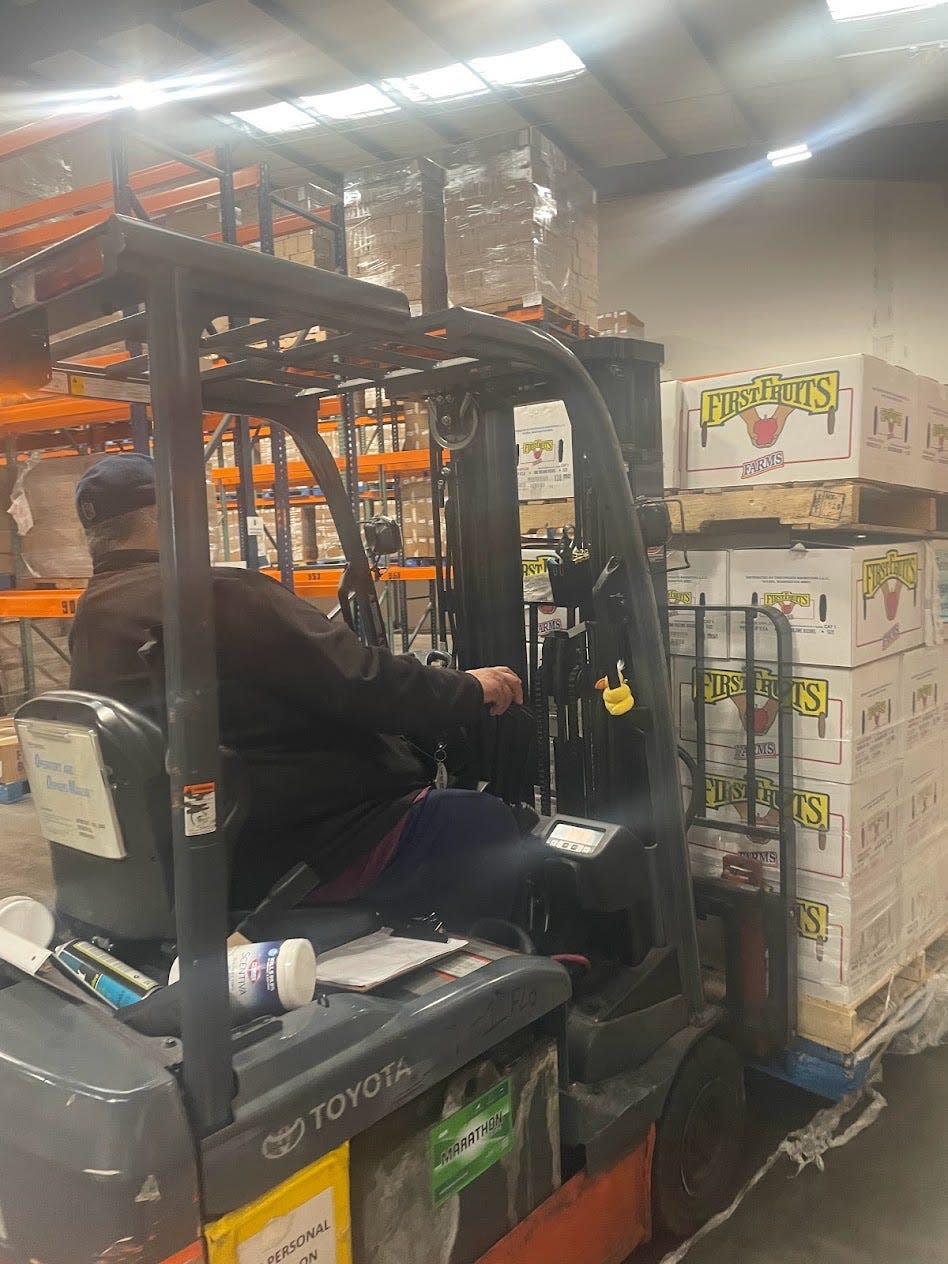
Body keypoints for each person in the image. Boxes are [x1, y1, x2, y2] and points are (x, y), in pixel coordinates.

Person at [68, 452, 527, 927]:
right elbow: (365, 683)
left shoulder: (93, 616)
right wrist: (470, 687)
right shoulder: (215, 594)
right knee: (482, 821)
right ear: (171, 514)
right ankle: (492, 969)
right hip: (301, 844)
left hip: (198, 847)